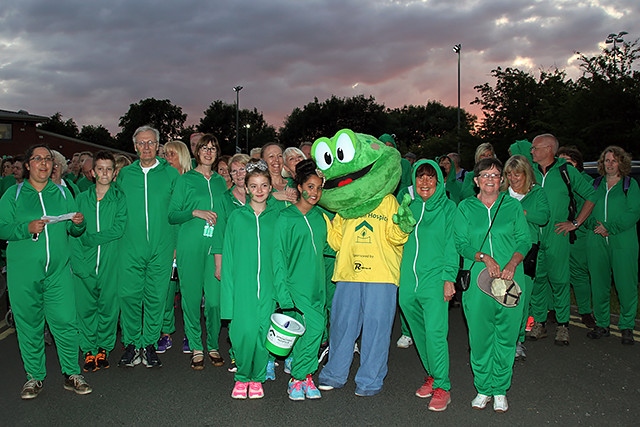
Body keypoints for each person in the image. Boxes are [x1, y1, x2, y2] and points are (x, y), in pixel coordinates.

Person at [0, 144, 91, 399]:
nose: (43, 163)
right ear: (28, 164)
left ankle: (72, 373)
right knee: (29, 324)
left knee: (65, 321)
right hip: (24, 272)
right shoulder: (13, 194)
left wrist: (78, 224)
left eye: (48, 159)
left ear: (53, 165)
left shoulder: (63, 192)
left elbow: (74, 231)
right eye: (37, 159)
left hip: (58, 272)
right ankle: (34, 377)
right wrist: (25, 228)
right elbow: (1, 226)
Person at [454, 157, 530, 413]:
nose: (490, 179)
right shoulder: (465, 207)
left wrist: (512, 264)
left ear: (501, 180)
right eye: (485, 175)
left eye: (495, 175)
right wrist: (483, 257)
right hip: (478, 280)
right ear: (476, 180)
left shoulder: (512, 207)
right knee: (480, 336)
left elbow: (524, 241)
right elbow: (461, 243)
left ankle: (500, 389)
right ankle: (483, 387)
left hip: (510, 281)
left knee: (506, 336)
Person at [116, 126, 180, 368]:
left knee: (156, 297)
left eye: (151, 143)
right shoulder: (125, 175)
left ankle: (149, 343)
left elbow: (176, 212)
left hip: (162, 246)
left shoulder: (171, 175)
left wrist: (175, 245)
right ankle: (132, 343)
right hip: (130, 245)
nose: (146, 147)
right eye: (141, 143)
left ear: (158, 146)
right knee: (129, 296)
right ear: (134, 147)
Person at [398, 159, 457, 412]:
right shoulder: (407, 206)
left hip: (435, 279)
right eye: (420, 176)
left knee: (435, 333)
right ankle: (432, 374)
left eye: (430, 177)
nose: (424, 182)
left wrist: (449, 278)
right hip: (408, 280)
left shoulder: (447, 208)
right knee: (419, 332)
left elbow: (452, 245)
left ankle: (443, 386)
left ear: (439, 181)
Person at [221, 159, 282, 399]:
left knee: (263, 332)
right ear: (246, 188)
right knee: (242, 333)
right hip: (241, 289)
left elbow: (280, 257)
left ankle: (257, 378)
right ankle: (242, 376)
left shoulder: (278, 218)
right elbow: (228, 258)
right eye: (254, 186)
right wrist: (228, 298)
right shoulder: (237, 218)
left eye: (264, 185)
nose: (259, 190)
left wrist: (280, 291)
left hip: (268, 287)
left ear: (270, 188)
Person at [528, 134, 596, 345]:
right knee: (537, 279)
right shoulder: (529, 171)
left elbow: (591, 196)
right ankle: (539, 322)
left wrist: (575, 223)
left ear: (549, 149)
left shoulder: (566, 171)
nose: (531, 151)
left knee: (559, 280)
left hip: (557, 233)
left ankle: (563, 325)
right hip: (533, 234)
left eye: (535, 148)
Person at [169, 134, 228, 370]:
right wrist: (195, 212)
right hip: (190, 246)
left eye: (213, 148)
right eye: (204, 148)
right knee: (191, 299)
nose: (208, 152)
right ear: (197, 152)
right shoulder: (185, 180)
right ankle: (196, 346)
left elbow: (224, 216)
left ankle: (212, 344)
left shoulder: (220, 182)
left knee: (214, 302)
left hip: (215, 248)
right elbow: (172, 215)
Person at [273, 159, 327, 401]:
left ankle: (304, 377)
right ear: (300, 187)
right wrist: (283, 295)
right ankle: (298, 377)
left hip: (318, 287)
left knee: (313, 332)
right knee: (314, 328)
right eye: (310, 186)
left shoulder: (320, 218)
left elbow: (329, 248)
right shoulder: (286, 218)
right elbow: (278, 258)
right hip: (295, 288)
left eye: (318, 187)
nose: (314, 192)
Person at [71, 151, 127, 372]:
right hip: (85, 261)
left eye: (109, 169)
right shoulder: (81, 198)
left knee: (108, 307)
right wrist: (79, 260)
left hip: (110, 262)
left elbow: (118, 229)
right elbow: (73, 230)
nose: (104, 173)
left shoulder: (119, 197)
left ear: (114, 174)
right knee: (85, 308)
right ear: (93, 172)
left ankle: (104, 346)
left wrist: (89, 239)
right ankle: (88, 348)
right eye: (100, 168)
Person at [585, 146, 640, 345]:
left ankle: (626, 326)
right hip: (596, 241)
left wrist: (610, 227)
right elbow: (586, 209)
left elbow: (634, 212)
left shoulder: (629, 185)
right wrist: (594, 225)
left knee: (626, 285)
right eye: (606, 160)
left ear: (621, 163)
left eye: (614, 160)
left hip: (622, 241)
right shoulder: (595, 184)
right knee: (599, 284)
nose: (609, 164)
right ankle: (602, 323)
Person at [502, 155, 550, 361]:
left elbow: (543, 217)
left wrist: (521, 211)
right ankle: (502, 339)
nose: (513, 179)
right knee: (502, 294)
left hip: (528, 250)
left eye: (517, 174)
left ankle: (517, 340)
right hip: (504, 249)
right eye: (509, 174)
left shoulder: (537, 192)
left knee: (522, 296)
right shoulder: (502, 193)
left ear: (526, 174)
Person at [212, 153, 250, 372]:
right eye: (233, 171)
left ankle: (259, 351)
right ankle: (237, 353)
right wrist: (219, 264)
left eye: (241, 169)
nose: (237, 175)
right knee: (235, 310)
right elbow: (219, 234)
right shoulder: (225, 199)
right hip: (234, 261)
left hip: (257, 260)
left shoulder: (262, 194)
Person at [158, 139, 192, 354]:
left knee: (189, 291)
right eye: (165, 154)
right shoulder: (161, 182)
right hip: (166, 240)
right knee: (166, 290)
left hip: (189, 240)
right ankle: (165, 332)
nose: (167, 159)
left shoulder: (192, 181)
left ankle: (191, 333)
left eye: (171, 154)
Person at [556, 146, 596, 329]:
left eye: (568, 162)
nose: (564, 165)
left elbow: (590, 203)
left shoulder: (586, 180)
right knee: (555, 273)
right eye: (561, 161)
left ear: (577, 164)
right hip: (558, 232)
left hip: (578, 233)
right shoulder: (556, 178)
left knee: (579, 274)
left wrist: (576, 223)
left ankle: (585, 311)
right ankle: (552, 310)